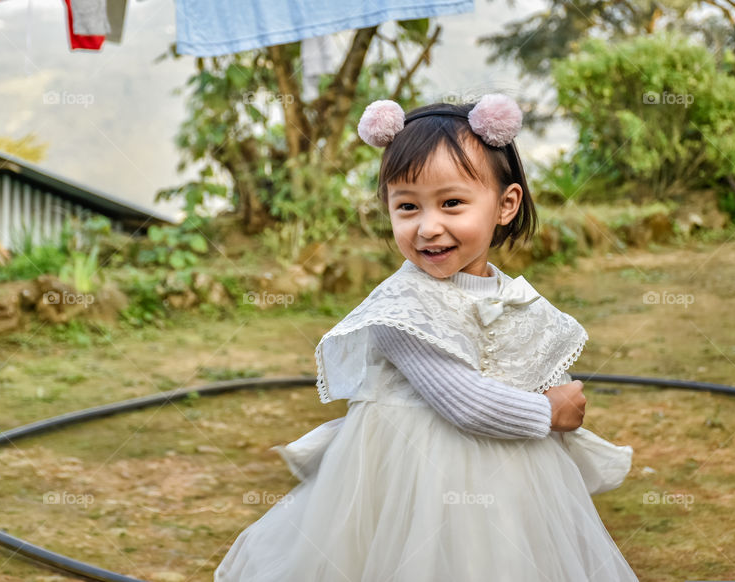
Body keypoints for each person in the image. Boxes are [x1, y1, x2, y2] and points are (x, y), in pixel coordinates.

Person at [214, 94, 639, 581]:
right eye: (408, 206)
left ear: (506, 204)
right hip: (418, 482)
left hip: (510, 477)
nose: (428, 227)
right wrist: (550, 411)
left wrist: (554, 393)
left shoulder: (508, 294)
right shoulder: (402, 308)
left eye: (452, 203)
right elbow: (467, 404)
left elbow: (529, 362)